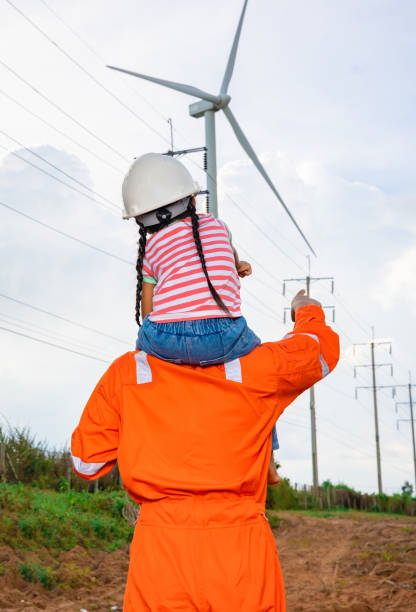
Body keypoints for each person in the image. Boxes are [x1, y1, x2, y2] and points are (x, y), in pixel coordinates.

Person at [71, 289, 340, 611]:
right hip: (241, 554)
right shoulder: (260, 367)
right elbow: (318, 349)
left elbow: (87, 463)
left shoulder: (128, 372)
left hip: (160, 554)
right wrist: (306, 309)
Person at [123, 152, 280, 484]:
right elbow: (226, 253)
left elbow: (148, 307)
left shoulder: (151, 249)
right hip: (224, 334)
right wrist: (236, 267)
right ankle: (268, 459)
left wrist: (157, 339)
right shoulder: (217, 226)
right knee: (260, 376)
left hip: (167, 335)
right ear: (192, 197)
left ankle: (157, 442)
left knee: (141, 361)